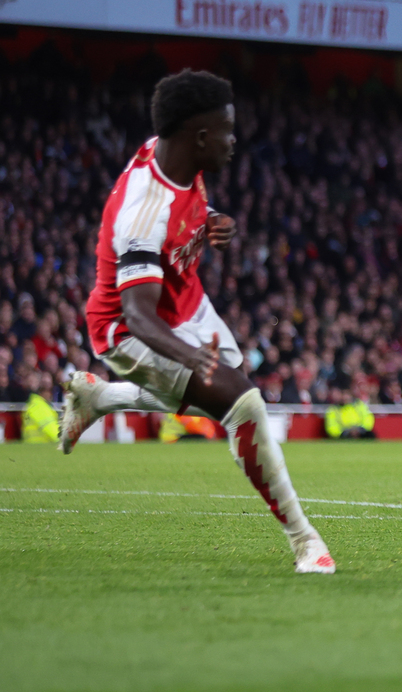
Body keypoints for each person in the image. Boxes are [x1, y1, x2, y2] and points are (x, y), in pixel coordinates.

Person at [59, 69, 335, 574]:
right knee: (243, 404)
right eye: (227, 132)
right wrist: (192, 356)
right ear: (202, 137)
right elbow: (140, 316)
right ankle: (306, 542)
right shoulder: (143, 211)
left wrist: (212, 221)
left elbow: (183, 207)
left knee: (212, 398)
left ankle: (99, 397)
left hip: (187, 303)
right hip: (127, 328)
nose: (234, 141)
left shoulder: (177, 154)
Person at [22, 372, 60, 444]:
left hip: (34, 448)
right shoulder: (39, 407)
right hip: (40, 448)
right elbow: (54, 433)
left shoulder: (34, 404)